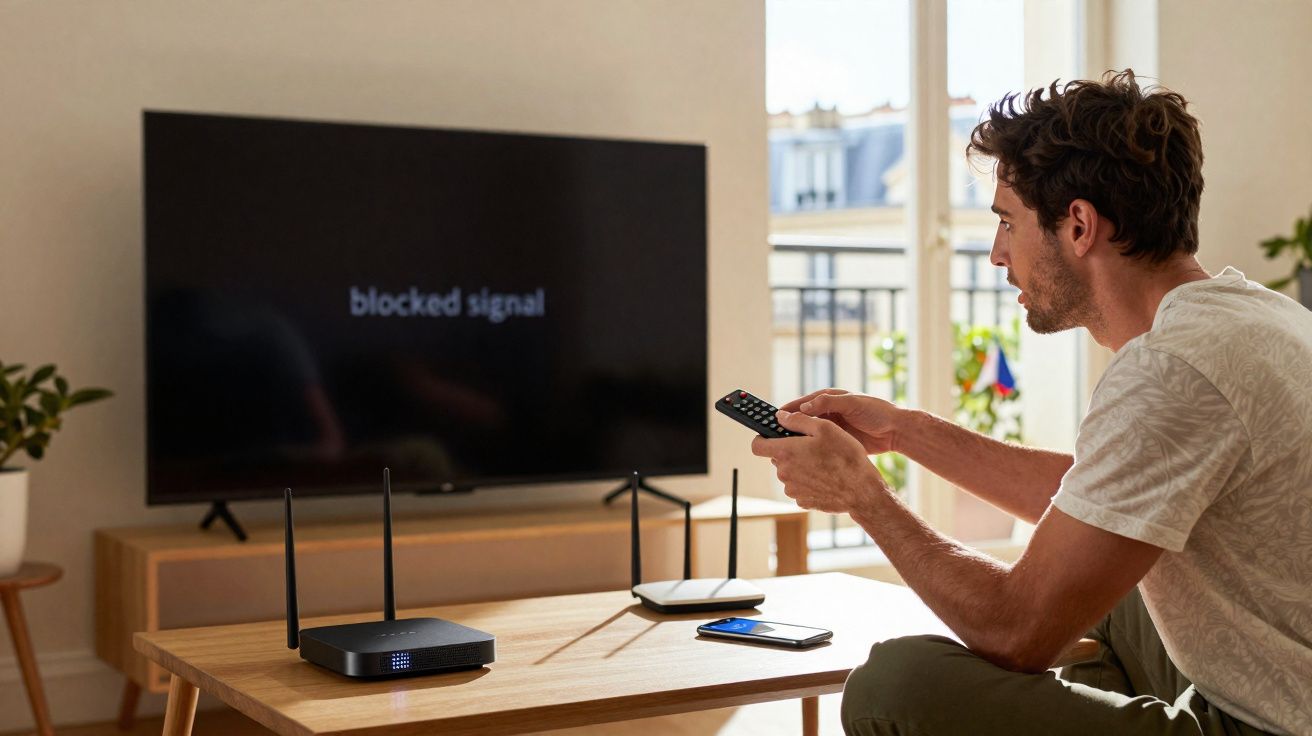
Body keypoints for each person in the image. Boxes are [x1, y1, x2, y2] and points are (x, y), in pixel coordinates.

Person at [752, 70, 1312, 735]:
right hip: (1277, 688)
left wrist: (861, 495)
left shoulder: (1171, 370)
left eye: (1007, 223)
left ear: (1077, 225)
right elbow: (1098, 497)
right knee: (1092, 573)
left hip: (1269, 725)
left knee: (892, 685)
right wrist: (905, 432)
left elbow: (1016, 633)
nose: (995, 254)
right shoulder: (1258, 317)